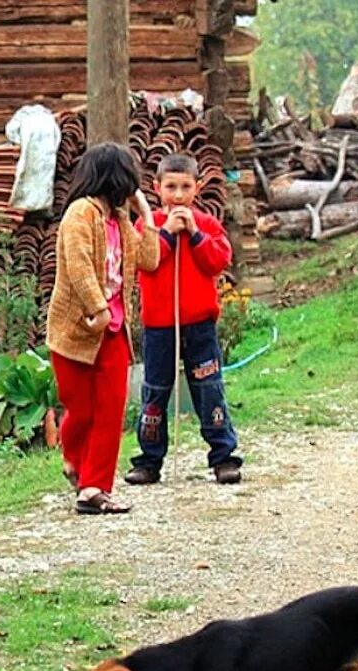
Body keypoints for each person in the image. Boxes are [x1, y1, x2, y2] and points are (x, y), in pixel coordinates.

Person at [45, 142, 161, 515]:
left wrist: (146, 216)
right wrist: (96, 308)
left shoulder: (121, 221)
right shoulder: (81, 213)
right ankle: (76, 460)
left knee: (110, 409)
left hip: (114, 331)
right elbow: (78, 266)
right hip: (76, 331)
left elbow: (149, 259)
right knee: (79, 408)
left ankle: (93, 488)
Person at [124, 153, 243, 486]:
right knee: (155, 393)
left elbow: (217, 262)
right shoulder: (145, 226)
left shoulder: (206, 224)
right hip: (160, 328)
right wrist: (164, 233)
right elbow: (145, 261)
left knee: (209, 389)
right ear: (156, 187)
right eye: (171, 187)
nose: (178, 195)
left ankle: (223, 456)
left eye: (185, 187)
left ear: (198, 188)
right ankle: (148, 460)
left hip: (200, 327)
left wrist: (192, 235)